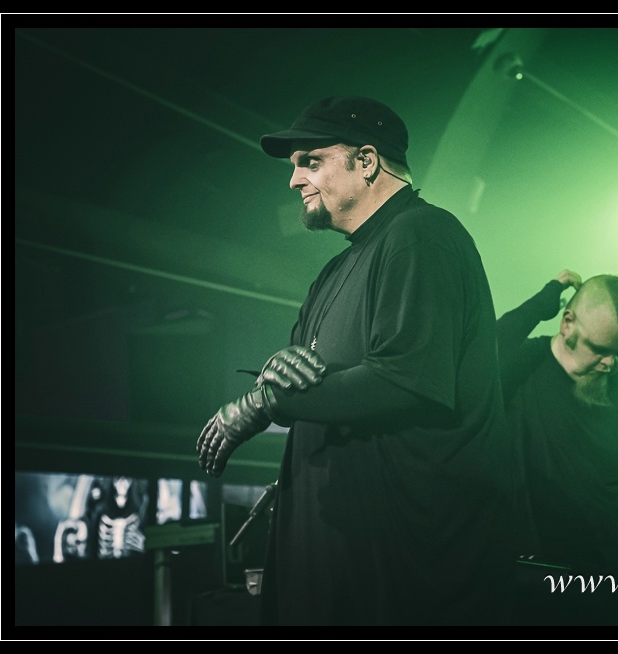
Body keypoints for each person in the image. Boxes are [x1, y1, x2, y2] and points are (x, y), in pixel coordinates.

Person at [196, 96, 515, 626]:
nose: (294, 180)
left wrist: (264, 403)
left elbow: (407, 379)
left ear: (366, 161)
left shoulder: (422, 235)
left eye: (311, 161)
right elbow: (307, 384)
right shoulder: (334, 272)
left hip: (403, 573)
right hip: (339, 565)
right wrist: (279, 380)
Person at [498, 269, 618, 626]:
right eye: (599, 349)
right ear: (568, 324)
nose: (610, 363)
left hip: (612, 605)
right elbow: (476, 353)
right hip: (529, 603)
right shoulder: (517, 373)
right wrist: (541, 303)